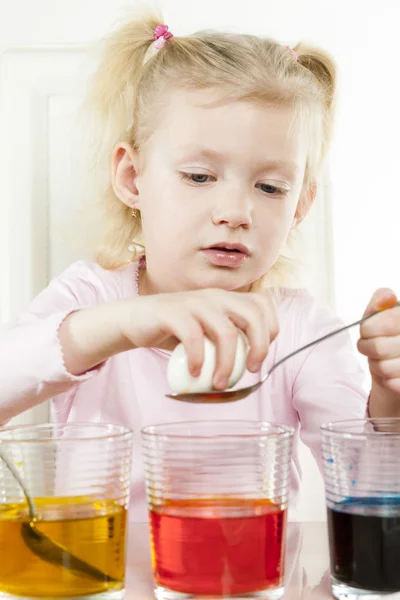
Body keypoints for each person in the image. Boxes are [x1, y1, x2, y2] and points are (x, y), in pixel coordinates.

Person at [1, 11, 399, 521]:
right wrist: (125, 323)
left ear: (300, 205)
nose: (235, 212)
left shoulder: (304, 333)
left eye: (271, 187)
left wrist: (390, 397)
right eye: (199, 176)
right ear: (132, 177)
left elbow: (368, 494)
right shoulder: (90, 298)